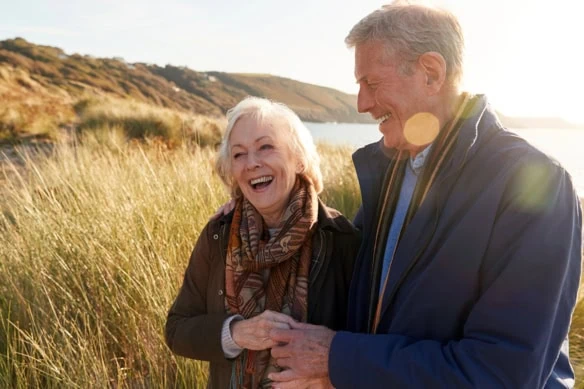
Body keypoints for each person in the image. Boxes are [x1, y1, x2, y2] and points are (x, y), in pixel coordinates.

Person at [267, 2, 583, 388]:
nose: (362, 103)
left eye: (372, 83)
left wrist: (336, 358)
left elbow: (500, 374)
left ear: (431, 73)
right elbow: (358, 282)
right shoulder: (394, 171)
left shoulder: (538, 185)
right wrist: (269, 209)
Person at [164, 96, 359, 389]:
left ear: (299, 159)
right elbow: (177, 330)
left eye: (266, 147)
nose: (252, 163)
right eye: (239, 154)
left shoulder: (341, 239)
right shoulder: (219, 234)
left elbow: (368, 343)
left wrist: (329, 375)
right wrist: (237, 333)